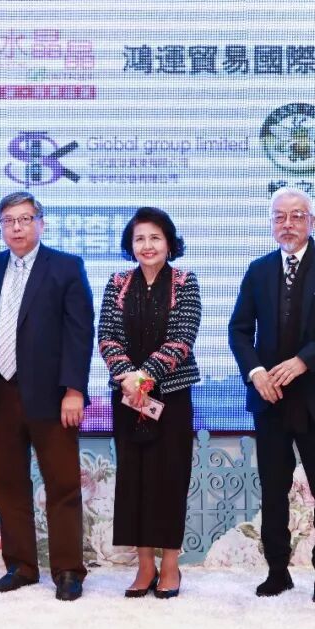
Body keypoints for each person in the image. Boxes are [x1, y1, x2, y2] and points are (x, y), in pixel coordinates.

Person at [0, 192, 94, 601]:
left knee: (62, 483)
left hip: (52, 395)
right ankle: (22, 566)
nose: (16, 227)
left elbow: (79, 334)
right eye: (8, 220)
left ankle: (68, 571)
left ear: (40, 223)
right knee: (5, 480)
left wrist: (74, 390)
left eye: (25, 219)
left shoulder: (66, 267)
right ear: (1, 227)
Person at [228, 187, 315, 604]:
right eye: (279, 217)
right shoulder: (258, 271)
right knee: (273, 490)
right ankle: (277, 571)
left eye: (297, 216)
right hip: (270, 400)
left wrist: (304, 361)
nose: (287, 224)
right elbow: (238, 330)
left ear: (312, 222)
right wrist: (256, 373)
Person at [98, 207, 201, 600]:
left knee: (170, 480)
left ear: (169, 243)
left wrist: (143, 379)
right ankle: (144, 566)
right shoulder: (118, 283)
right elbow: (106, 336)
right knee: (134, 481)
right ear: (131, 245)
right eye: (139, 238)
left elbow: (182, 338)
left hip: (171, 397)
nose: (147, 245)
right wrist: (128, 378)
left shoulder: (186, 282)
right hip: (127, 399)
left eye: (155, 237)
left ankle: (170, 566)